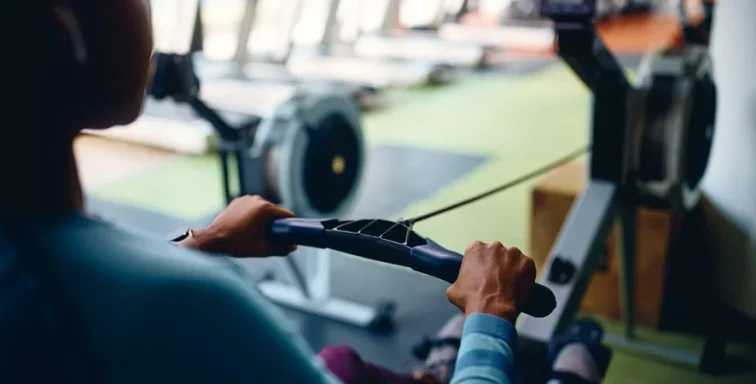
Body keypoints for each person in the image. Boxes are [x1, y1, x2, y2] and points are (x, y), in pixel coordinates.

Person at [0, 1, 600, 383]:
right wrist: (491, 316)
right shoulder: (194, 306)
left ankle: (440, 368)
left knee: (340, 362)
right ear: (58, 39)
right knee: (572, 361)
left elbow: (100, 305)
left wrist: (202, 242)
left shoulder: (39, 273)